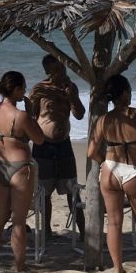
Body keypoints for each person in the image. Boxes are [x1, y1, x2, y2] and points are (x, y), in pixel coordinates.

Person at [87, 74, 136, 273]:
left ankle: (118, 268)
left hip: (111, 170)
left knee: (113, 222)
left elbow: (91, 152)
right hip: (135, 171)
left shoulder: (103, 120)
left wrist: (105, 160)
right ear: (126, 93)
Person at [0, 71, 44, 273]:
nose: (25, 92)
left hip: (0, 165)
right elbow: (40, 139)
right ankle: (19, 265)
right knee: (18, 219)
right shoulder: (21, 116)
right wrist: (32, 113)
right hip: (20, 167)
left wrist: (4, 137)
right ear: (16, 90)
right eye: (23, 88)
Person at [29, 55, 86, 238]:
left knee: (72, 190)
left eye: (63, 68)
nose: (62, 72)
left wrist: (72, 97)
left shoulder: (70, 87)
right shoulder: (40, 89)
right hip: (43, 145)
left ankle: (84, 231)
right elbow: (31, 116)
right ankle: (46, 232)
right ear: (48, 70)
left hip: (64, 144)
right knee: (44, 192)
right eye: (57, 69)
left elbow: (79, 114)